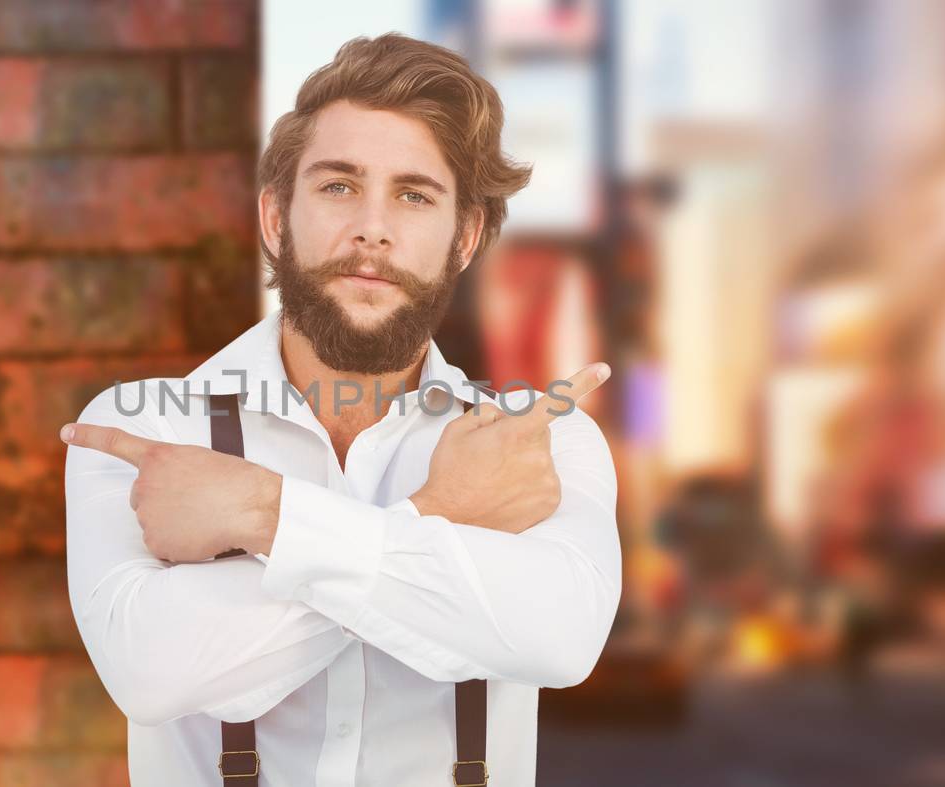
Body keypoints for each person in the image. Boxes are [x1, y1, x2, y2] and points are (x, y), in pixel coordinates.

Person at [59, 33, 622, 787]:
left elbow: (559, 639)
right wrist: (436, 513)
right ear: (274, 218)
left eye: (414, 195)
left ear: (465, 237)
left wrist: (262, 512)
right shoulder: (144, 428)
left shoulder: (541, 440)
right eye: (338, 186)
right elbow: (152, 671)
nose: (373, 228)